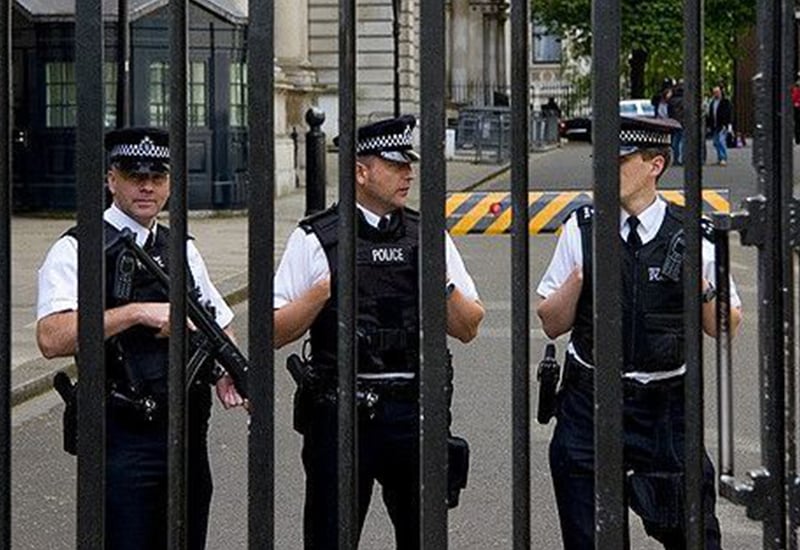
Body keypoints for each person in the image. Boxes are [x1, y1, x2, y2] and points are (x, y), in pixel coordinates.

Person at [273, 115, 485, 549]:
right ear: (360, 171)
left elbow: (469, 327)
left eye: (408, 163)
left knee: (423, 535)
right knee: (330, 535)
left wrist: (438, 284)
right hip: (340, 411)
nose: (408, 172)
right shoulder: (316, 238)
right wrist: (321, 294)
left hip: (413, 409)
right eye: (394, 164)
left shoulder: (426, 235)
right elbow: (273, 332)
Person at [536, 116, 743, 550]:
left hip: (664, 411)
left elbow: (725, 326)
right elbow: (551, 321)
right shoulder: (583, 228)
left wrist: (700, 282)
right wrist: (580, 274)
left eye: (621, 160)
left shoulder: (694, 233)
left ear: (656, 165)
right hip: (589, 405)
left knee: (693, 536)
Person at [36, 126, 245, 549]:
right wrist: (133, 313)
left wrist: (224, 366)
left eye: (158, 176)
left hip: (186, 433)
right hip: (123, 438)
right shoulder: (80, 248)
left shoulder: (180, 247)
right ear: (112, 179)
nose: (147, 186)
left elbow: (218, 318)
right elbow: (51, 337)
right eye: (135, 176)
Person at [706, 85, 733, 166]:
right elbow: (710, 114)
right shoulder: (712, 102)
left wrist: (727, 124)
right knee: (716, 142)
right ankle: (719, 158)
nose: (716, 94)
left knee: (721, 141)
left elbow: (729, 114)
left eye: (717, 92)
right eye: (714, 92)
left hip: (722, 125)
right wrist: (709, 125)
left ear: (721, 92)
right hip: (714, 125)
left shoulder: (725, 102)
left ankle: (723, 158)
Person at [791, 78, 800, 145]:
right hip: (797, 108)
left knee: (797, 123)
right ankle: (798, 139)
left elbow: (793, 98)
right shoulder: (796, 89)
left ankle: (798, 139)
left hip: (797, 107)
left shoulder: (796, 89)